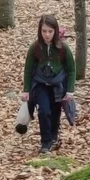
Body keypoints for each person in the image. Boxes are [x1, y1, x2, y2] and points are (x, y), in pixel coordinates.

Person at [21, 14, 76, 152]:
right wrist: (26, 90)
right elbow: (28, 69)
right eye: (44, 31)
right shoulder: (35, 47)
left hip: (58, 85)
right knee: (44, 111)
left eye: (50, 31)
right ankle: (45, 142)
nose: (47, 34)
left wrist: (70, 90)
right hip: (40, 84)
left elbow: (71, 69)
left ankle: (53, 137)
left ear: (55, 31)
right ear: (40, 31)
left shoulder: (63, 48)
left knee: (55, 112)